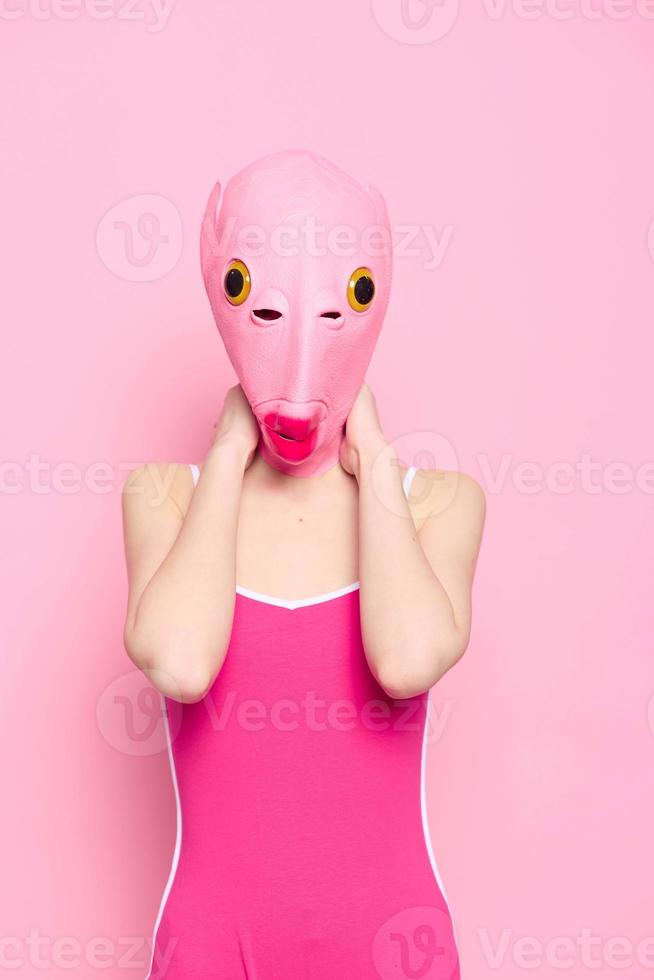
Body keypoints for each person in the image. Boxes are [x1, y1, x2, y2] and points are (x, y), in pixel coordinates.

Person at [122, 149, 485, 979]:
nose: (299, 352)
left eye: (337, 310)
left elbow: (405, 661)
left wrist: (378, 460)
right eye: (265, 308)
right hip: (211, 948)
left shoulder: (439, 502)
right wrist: (225, 453)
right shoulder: (165, 497)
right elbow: (179, 662)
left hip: (396, 950)